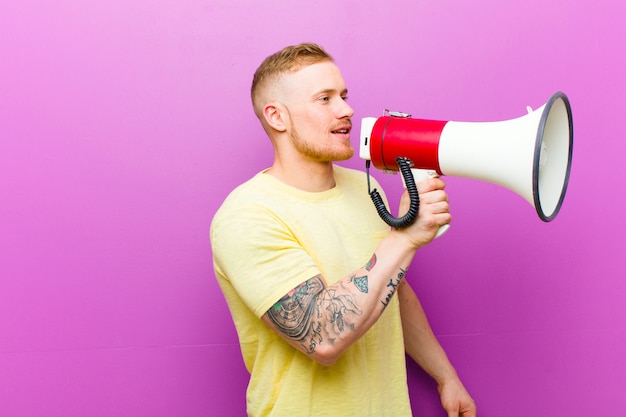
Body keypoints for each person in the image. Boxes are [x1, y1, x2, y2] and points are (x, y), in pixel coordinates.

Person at [210, 42, 476, 417]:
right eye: (325, 99)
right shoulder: (247, 216)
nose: (347, 110)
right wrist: (404, 238)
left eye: (344, 96)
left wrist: (445, 376)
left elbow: (391, 290)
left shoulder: (365, 189)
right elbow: (321, 339)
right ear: (277, 117)